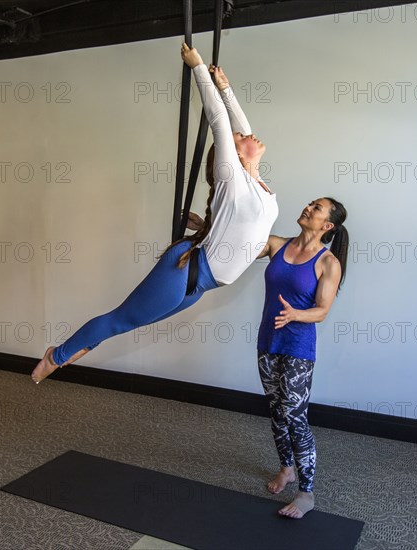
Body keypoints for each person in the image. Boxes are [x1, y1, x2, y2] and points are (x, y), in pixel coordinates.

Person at [31, 43, 278, 383]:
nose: (248, 134)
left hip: (199, 285)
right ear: (233, 155)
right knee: (121, 319)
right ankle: (56, 355)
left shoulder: (258, 184)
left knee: (129, 321)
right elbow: (219, 121)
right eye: (241, 138)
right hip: (186, 272)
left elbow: (238, 126)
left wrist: (226, 88)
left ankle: (78, 347)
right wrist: (197, 67)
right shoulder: (230, 176)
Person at [255, 197, 349, 519]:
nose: (308, 207)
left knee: (295, 415)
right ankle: (286, 469)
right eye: (310, 203)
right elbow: (236, 249)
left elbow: (322, 311)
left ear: (327, 226)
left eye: (317, 208)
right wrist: (206, 231)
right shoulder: (276, 245)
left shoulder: (328, 262)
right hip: (268, 340)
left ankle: (306, 493)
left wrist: (297, 314)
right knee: (276, 412)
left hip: (297, 346)